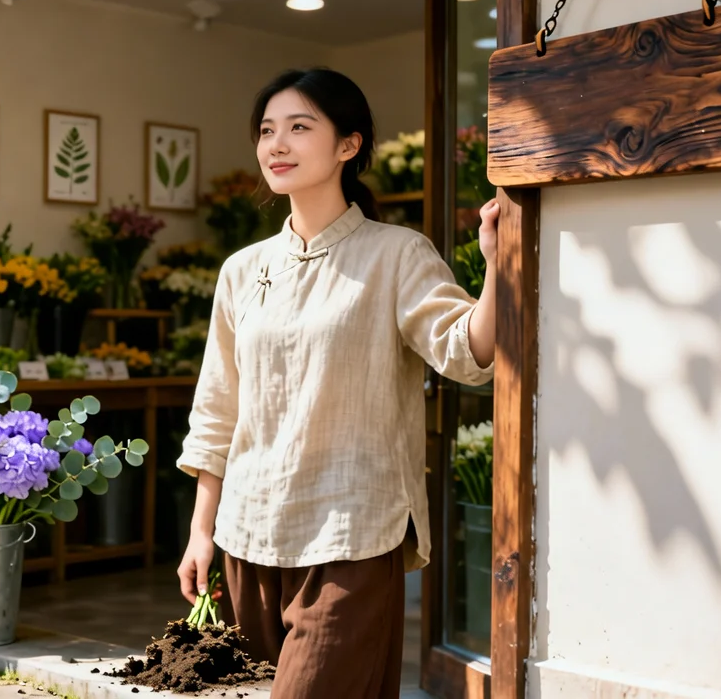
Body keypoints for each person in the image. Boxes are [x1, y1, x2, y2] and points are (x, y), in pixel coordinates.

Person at [174, 66, 500, 699]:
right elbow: (217, 410)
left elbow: (468, 352)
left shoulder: (397, 253)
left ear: (349, 145)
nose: (277, 144)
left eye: (299, 127)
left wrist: (496, 265)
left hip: (352, 534)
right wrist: (200, 533)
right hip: (248, 534)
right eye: (267, 130)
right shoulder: (242, 270)